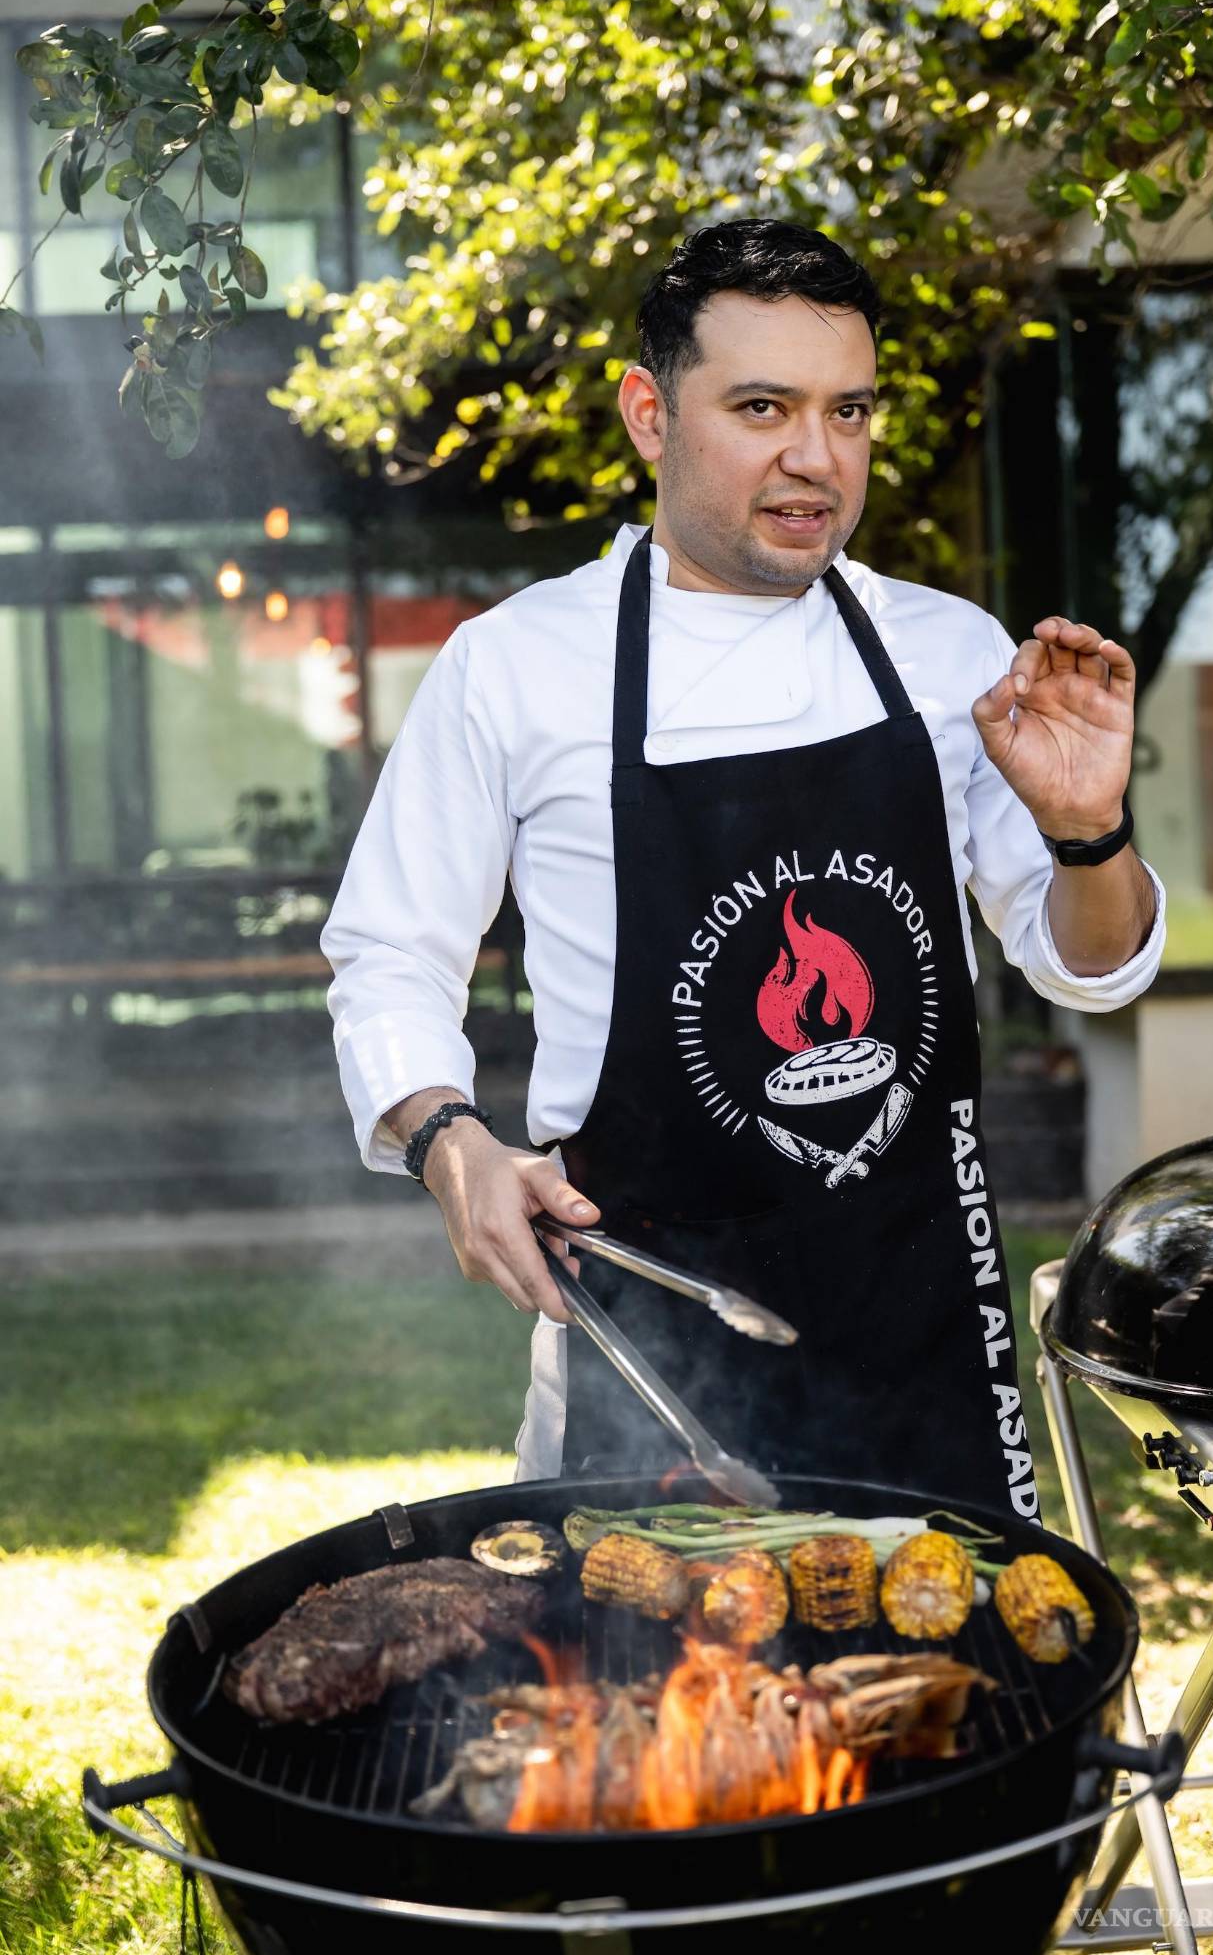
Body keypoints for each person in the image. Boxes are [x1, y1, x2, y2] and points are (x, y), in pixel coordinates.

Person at [321, 219, 1164, 1517]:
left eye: (847, 411)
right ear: (650, 414)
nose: (815, 459)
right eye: (761, 407)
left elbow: (1088, 970)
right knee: (645, 1707)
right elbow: (386, 955)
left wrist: (1089, 828)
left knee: (966, 1709)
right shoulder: (519, 664)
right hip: (652, 1344)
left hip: (925, 1328)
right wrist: (450, 1143)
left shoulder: (945, 654)